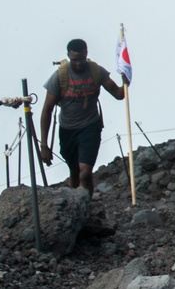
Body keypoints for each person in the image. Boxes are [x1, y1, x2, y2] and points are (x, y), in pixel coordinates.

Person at [39, 38, 127, 196]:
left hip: (90, 127)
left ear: (86, 54)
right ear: (68, 56)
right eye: (74, 60)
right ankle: (75, 203)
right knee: (74, 171)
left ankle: (87, 204)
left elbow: (118, 94)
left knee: (85, 172)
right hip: (67, 130)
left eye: (81, 59)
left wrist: (126, 82)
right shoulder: (60, 76)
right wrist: (44, 145)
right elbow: (47, 110)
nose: (78, 64)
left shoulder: (96, 71)